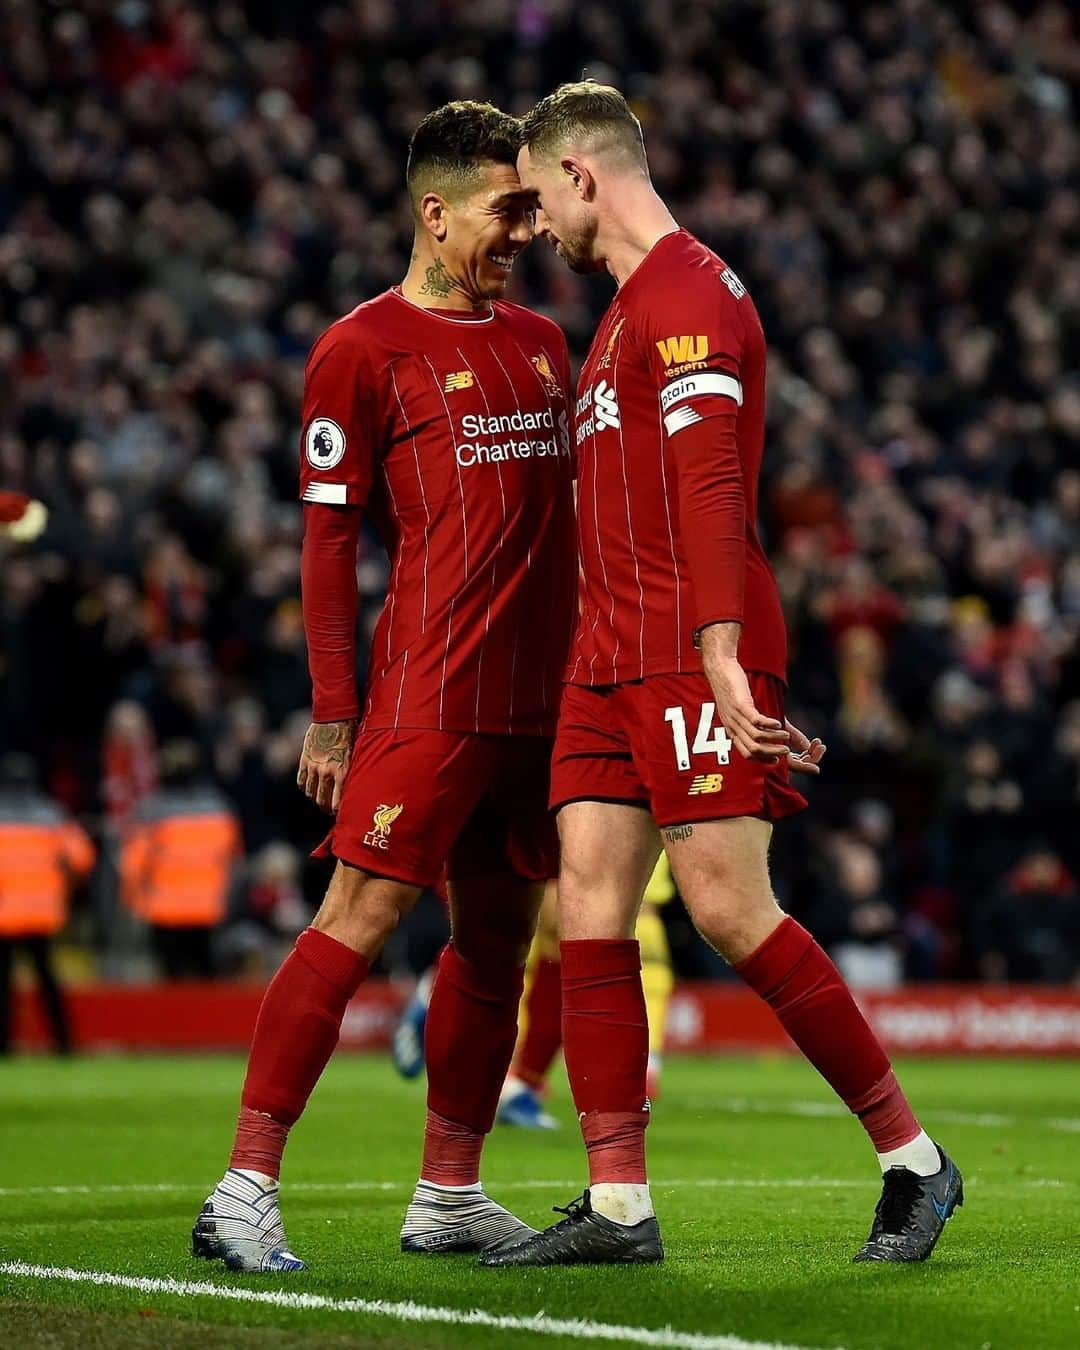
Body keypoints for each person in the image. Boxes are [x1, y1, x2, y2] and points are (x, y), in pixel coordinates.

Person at [483, 83, 961, 1270]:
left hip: (693, 646)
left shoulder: (688, 293)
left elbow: (707, 492)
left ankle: (915, 1162)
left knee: (730, 912)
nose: (535, 227)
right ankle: (617, 1207)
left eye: (538, 199)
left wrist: (718, 652)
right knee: (585, 906)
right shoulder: (624, 313)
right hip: (607, 656)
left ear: (584, 176)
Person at [193, 100, 576, 1273]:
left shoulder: (545, 343)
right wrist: (333, 707)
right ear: (435, 209)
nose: (524, 231)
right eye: (506, 210)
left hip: (541, 705)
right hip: (430, 692)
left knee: (500, 942)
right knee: (356, 920)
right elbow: (327, 542)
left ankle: (448, 1191)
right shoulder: (359, 350)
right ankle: (245, 1184)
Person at [120, 740, 243, 978]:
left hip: (164, 909)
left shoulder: (152, 810)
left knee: (172, 978)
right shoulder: (219, 806)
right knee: (207, 974)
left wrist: (133, 901)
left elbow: (134, 863)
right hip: (208, 907)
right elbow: (235, 861)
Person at [0, 754, 95, 1055]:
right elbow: (82, 857)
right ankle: (63, 1043)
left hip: (4, 913)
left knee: (3, 983)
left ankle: (5, 1044)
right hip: (42, 912)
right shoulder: (50, 815)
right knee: (47, 980)